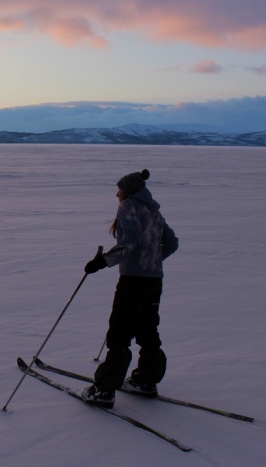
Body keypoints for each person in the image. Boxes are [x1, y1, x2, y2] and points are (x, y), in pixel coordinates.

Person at [81, 169, 178, 409]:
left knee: (120, 331)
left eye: (119, 189)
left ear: (129, 190)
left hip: (133, 280)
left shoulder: (129, 206)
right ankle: (145, 381)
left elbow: (131, 240)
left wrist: (103, 261)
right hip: (154, 280)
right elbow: (172, 243)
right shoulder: (154, 210)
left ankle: (104, 391)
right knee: (148, 329)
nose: (117, 193)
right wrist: (151, 262)